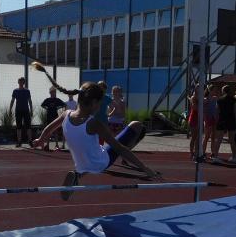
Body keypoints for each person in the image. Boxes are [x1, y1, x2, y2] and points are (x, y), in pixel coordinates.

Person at [32, 82, 162, 201]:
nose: (100, 108)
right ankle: (80, 173)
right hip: (101, 162)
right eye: (100, 104)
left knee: (89, 158)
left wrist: (40, 139)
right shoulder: (93, 123)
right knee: (136, 125)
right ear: (94, 102)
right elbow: (119, 148)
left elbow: (49, 128)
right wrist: (145, 168)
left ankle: (77, 175)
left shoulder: (66, 114)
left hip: (82, 165)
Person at [213, 84, 236, 163]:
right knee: (232, 140)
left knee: (219, 140)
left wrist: (216, 121)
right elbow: (235, 112)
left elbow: (217, 112)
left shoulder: (219, 100)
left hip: (222, 120)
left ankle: (215, 157)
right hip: (231, 120)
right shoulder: (233, 99)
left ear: (223, 91)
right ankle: (234, 157)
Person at [10, 77, 33, 147]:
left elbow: (30, 100)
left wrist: (31, 110)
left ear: (24, 82)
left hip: (26, 110)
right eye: (20, 81)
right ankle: (19, 142)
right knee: (18, 127)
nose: (21, 83)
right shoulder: (15, 91)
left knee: (28, 126)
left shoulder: (27, 91)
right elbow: (12, 100)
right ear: (18, 82)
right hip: (18, 110)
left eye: (22, 81)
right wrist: (10, 109)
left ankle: (30, 141)